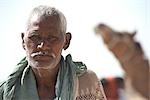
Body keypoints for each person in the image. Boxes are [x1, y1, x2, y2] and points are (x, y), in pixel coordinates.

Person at [0, 5, 106, 100]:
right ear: (23, 41)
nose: (42, 46)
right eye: (35, 37)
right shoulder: (7, 92)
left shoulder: (86, 83)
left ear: (66, 41)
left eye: (52, 38)